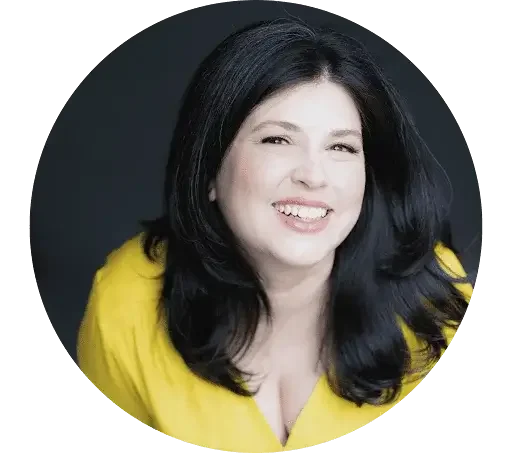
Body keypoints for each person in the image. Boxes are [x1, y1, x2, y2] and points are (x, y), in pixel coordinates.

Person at [77, 17, 473, 452]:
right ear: (209, 170)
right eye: (277, 140)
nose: (313, 176)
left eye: (341, 147)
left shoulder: (435, 302)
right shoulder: (127, 298)